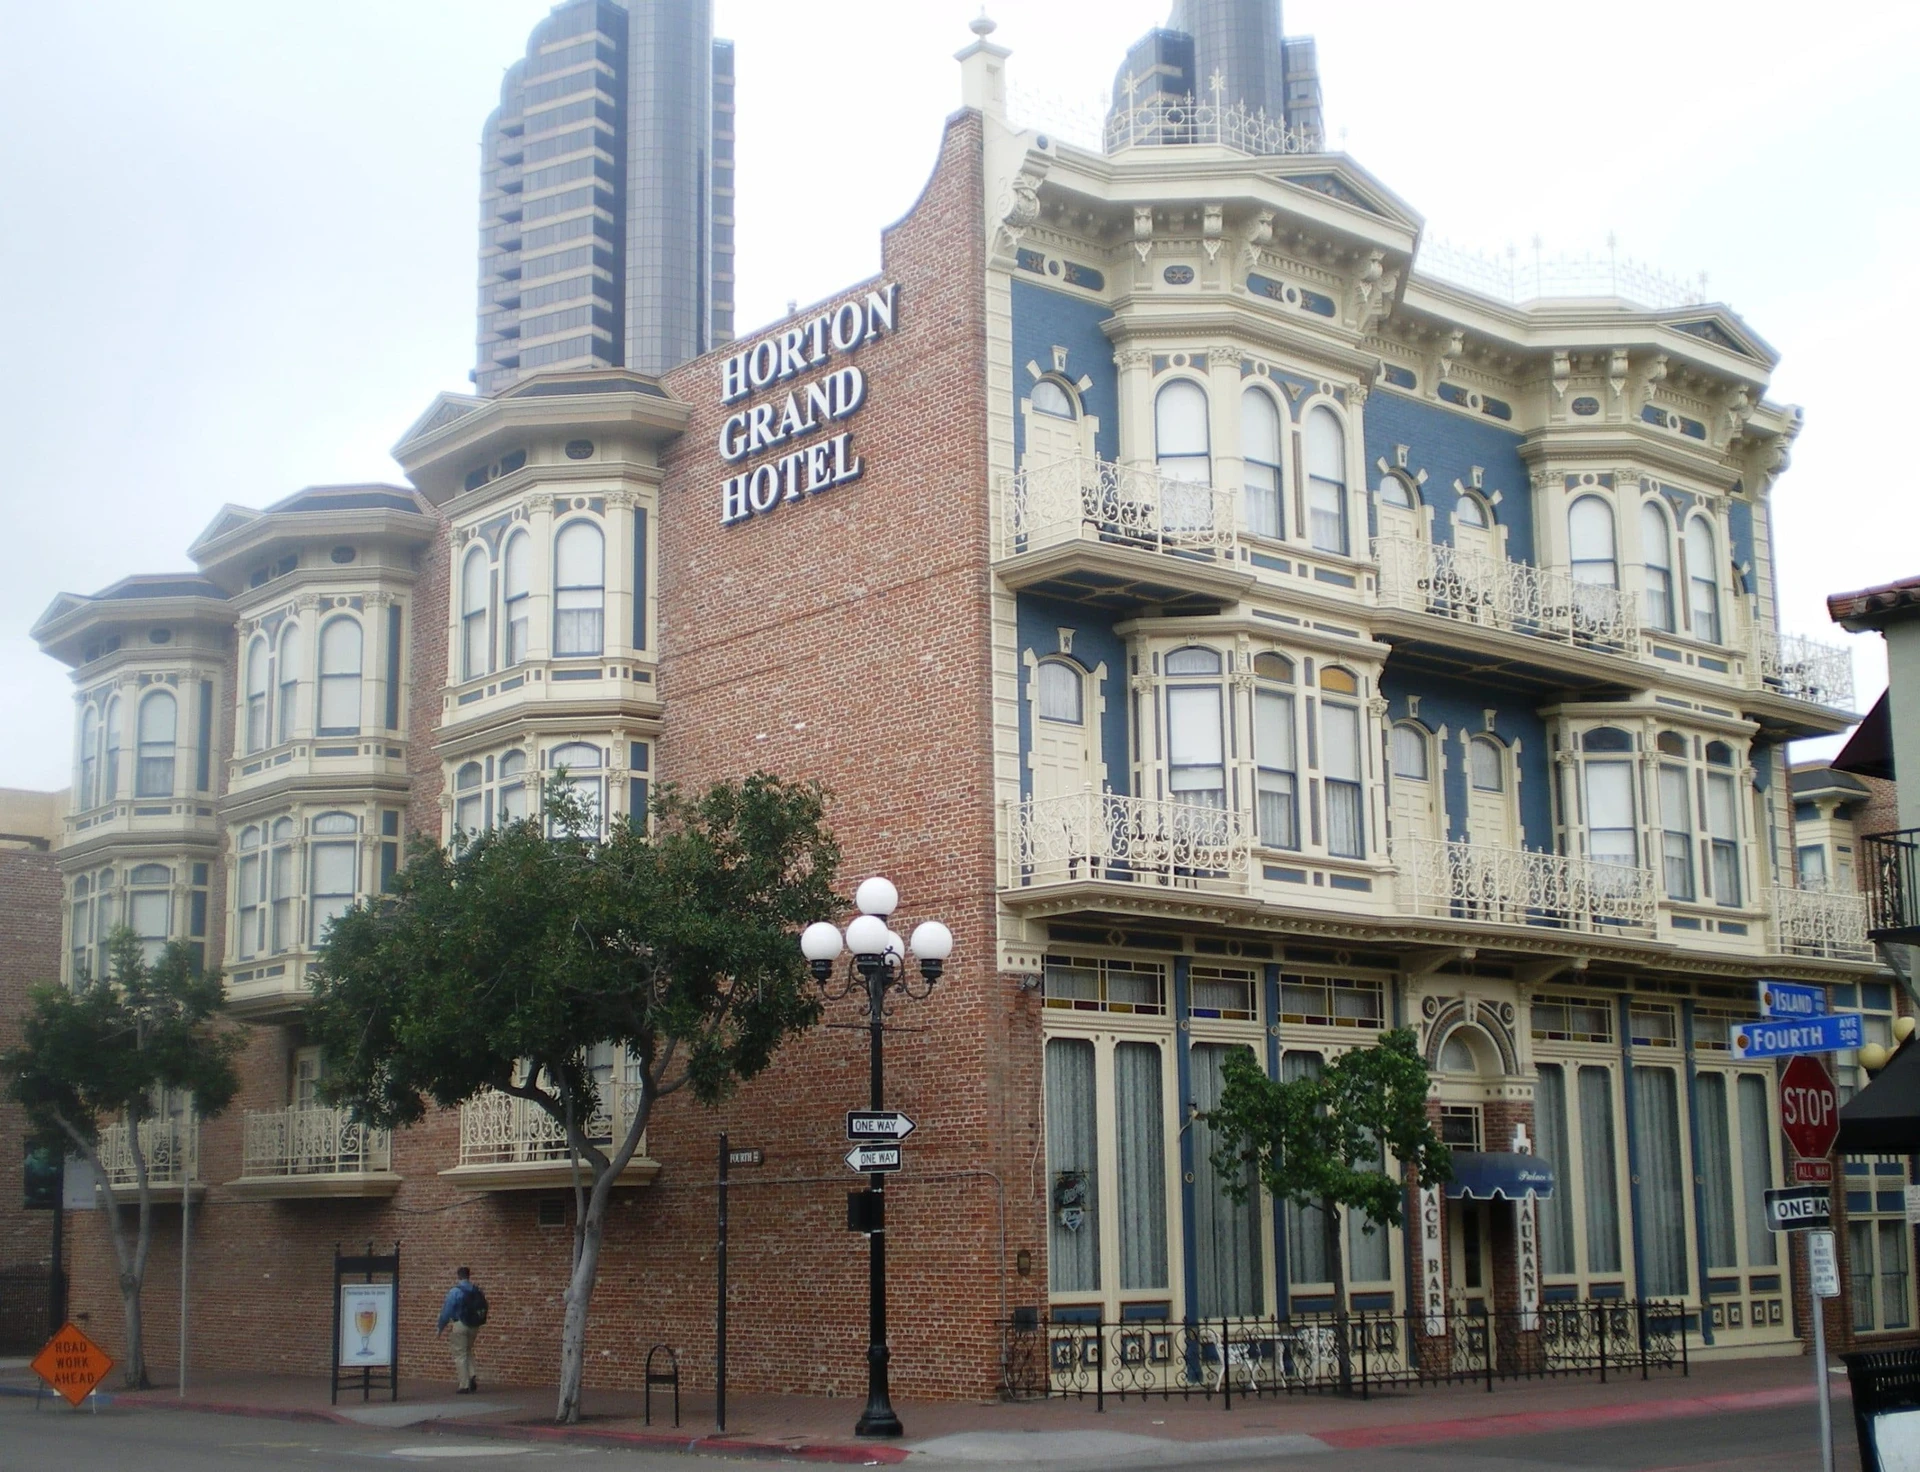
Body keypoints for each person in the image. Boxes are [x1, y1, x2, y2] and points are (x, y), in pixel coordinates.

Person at [436, 1266, 483, 1394]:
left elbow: (447, 1311)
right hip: (474, 1325)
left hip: (460, 1324)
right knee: (467, 1350)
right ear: (469, 1275)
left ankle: (464, 1385)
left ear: (458, 1276)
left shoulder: (455, 1291)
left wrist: (440, 1328)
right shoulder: (475, 1290)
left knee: (460, 1354)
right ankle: (472, 1374)